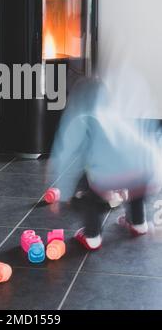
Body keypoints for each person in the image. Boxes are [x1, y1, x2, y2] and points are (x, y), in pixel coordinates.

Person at [49, 75, 162, 251]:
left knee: (88, 195)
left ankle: (92, 236)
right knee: (134, 187)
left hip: (110, 174)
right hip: (147, 169)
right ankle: (139, 224)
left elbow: (65, 156)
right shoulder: (117, 115)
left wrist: (64, 193)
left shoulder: (80, 118)